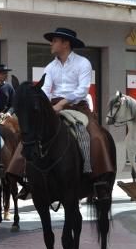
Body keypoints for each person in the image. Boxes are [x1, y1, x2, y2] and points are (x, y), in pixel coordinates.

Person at [40, 27, 116, 183]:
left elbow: (82, 90)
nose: (51, 44)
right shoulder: (49, 67)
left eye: (54, 41)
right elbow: (45, 90)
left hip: (78, 106)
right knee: (31, 133)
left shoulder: (83, 63)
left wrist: (61, 103)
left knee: (96, 136)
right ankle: (24, 177)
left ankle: (98, 178)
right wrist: (45, 106)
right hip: (53, 106)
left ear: (66, 43)